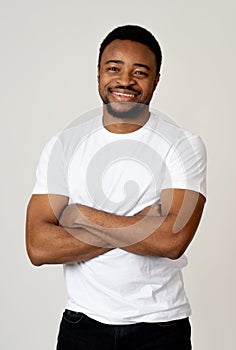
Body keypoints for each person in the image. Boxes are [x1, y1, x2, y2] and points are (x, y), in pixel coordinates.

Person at [26, 24, 207, 350]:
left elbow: (172, 239)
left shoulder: (182, 145)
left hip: (161, 327)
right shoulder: (63, 146)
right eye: (114, 68)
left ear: (156, 80)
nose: (125, 81)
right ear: (98, 74)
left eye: (140, 72)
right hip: (82, 326)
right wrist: (143, 225)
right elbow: (38, 246)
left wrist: (80, 215)